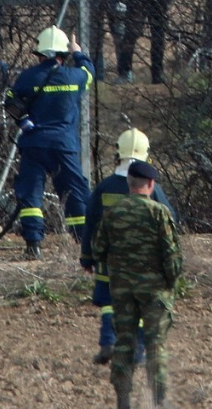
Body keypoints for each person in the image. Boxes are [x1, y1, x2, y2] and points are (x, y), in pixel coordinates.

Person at [80, 128, 175, 365]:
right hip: (143, 264)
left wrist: (87, 257)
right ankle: (137, 350)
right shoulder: (152, 189)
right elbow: (170, 220)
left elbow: (90, 223)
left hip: (108, 262)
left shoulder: (104, 187)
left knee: (109, 303)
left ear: (118, 152)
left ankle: (107, 342)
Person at [92, 161, 182, 409]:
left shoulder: (113, 213)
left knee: (124, 342)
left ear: (129, 184)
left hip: (122, 290)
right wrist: (172, 284)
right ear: (151, 184)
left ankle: (123, 400)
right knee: (155, 346)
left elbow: (98, 250)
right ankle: (160, 401)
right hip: (155, 291)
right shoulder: (159, 212)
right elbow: (172, 256)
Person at [6, 26, 94, 260]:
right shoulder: (75, 77)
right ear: (62, 54)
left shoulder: (28, 77)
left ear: (41, 53)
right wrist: (78, 53)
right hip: (64, 145)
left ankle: (33, 243)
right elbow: (90, 73)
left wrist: (23, 120)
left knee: (31, 193)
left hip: (34, 144)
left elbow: (10, 100)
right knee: (74, 191)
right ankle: (82, 240)